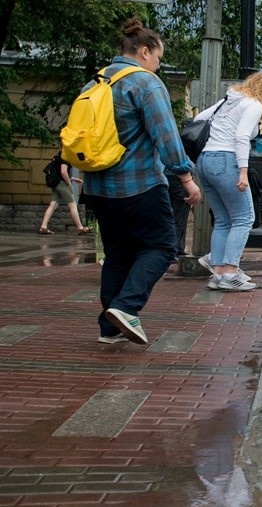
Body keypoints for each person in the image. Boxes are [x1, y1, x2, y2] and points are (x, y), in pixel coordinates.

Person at [80, 17, 202, 345]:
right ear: (145, 51)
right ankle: (126, 307)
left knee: (118, 254)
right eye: (159, 59)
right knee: (162, 246)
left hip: (97, 189)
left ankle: (109, 329)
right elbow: (167, 137)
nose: (159, 66)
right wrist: (186, 177)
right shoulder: (145, 83)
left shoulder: (94, 83)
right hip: (139, 186)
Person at [193, 71, 262, 292]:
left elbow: (198, 120)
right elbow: (242, 136)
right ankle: (231, 272)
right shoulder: (253, 104)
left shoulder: (228, 101)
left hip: (204, 161)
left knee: (223, 220)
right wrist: (243, 171)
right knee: (244, 218)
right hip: (226, 160)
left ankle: (218, 274)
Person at [38, 151, 92, 236]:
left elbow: (59, 172)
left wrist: (73, 179)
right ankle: (80, 228)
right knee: (72, 204)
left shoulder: (58, 154)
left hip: (55, 183)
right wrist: (69, 184)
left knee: (53, 204)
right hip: (61, 184)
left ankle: (43, 227)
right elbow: (63, 172)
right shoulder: (65, 155)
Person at [168, 175, 190, 260]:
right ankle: (176, 250)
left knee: (165, 218)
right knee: (180, 220)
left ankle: (177, 249)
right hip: (181, 179)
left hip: (163, 178)